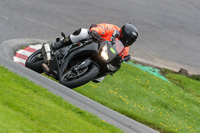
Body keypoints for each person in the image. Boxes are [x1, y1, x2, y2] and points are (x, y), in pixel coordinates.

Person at [52, 23, 138, 59]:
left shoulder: (125, 48)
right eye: (127, 37)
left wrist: (124, 59)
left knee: (102, 75)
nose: (127, 40)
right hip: (93, 41)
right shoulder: (113, 29)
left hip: (101, 55)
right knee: (82, 32)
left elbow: (120, 57)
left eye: (130, 40)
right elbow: (100, 28)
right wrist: (95, 31)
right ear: (123, 33)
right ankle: (60, 44)